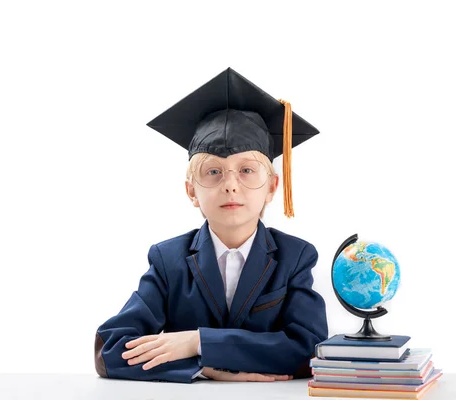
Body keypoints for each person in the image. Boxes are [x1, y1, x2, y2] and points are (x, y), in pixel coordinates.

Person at [94, 67, 328, 383]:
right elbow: (110, 352)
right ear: (192, 191)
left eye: (247, 170)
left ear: (272, 187)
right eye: (213, 172)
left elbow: (308, 350)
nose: (230, 185)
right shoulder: (168, 260)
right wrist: (203, 369)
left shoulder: (295, 256)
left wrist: (197, 342)